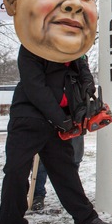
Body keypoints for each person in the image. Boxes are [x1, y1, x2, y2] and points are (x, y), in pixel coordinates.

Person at [0, 0, 112, 224]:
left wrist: (88, 89)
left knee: (66, 173)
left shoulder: (72, 49)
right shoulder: (30, 50)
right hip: (31, 118)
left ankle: (86, 217)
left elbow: (82, 68)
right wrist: (61, 121)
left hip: (60, 119)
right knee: (15, 172)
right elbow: (35, 88)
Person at [31, 54, 94, 212]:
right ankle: (38, 194)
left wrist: (87, 83)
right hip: (48, 110)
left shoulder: (78, 55)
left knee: (75, 156)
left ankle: (72, 196)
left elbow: (84, 72)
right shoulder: (42, 53)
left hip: (74, 109)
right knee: (44, 158)